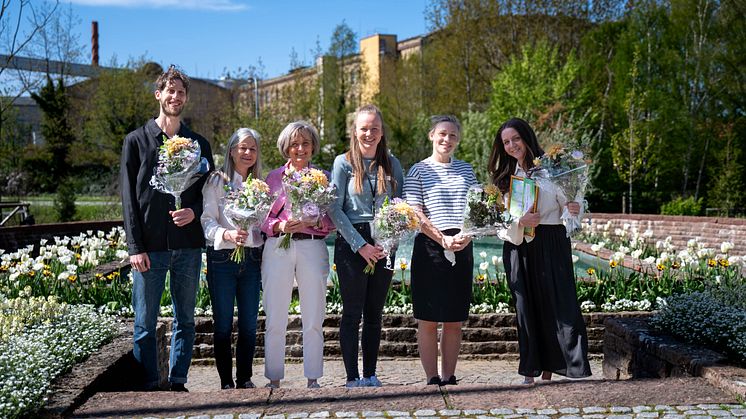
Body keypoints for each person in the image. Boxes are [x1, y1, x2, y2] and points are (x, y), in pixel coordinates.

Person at [120, 65, 214, 392]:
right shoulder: (136, 141)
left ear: (186, 98)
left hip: (188, 244)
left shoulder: (198, 144)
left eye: (181, 92)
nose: (175, 97)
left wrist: (194, 211)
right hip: (150, 246)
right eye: (170, 91)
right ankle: (147, 386)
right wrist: (135, 248)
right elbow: (128, 199)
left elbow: (209, 196)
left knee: (185, 320)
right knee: (145, 324)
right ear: (158, 94)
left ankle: (178, 383)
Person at [488, 117, 591, 386]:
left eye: (516, 139)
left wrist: (574, 210)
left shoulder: (553, 169)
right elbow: (497, 223)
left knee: (560, 302)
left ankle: (571, 366)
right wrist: (518, 222)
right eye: (506, 142)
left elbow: (570, 205)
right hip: (518, 245)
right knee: (525, 307)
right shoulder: (503, 177)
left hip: (551, 239)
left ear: (527, 138)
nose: (511, 146)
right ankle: (531, 369)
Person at [329, 104, 404, 388]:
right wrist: (361, 245)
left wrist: (387, 242)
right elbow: (335, 209)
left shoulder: (393, 164)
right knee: (352, 312)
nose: (369, 133)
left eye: (374, 128)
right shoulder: (343, 163)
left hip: (384, 243)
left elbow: (401, 207)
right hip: (352, 243)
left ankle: (371, 373)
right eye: (364, 128)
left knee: (375, 313)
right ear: (355, 131)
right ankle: (352, 377)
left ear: (382, 131)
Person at [259, 121, 335, 389]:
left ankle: (313, 377)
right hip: (278, 246)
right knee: (275, 314)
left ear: (313, 146)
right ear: (286, 148)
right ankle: (274, 377)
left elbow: (332, 221)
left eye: (305, 143)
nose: (300, 149)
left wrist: (314, 223)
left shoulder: (323, 178)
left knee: (314, 315)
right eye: (294, 144)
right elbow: (261, 219)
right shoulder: (273, 178)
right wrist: (279, 225)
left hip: (312, 246)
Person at [403, 115, 477, 386]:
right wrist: (441, 239)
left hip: (463, 245)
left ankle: (449, 376)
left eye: (453, 136)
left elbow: (477, 209)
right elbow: (415, 211)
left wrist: (466, 237)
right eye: (442, 134)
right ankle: (432, 377)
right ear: (431, 135)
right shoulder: (418, 170)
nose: (447, 139)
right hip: (430, 247)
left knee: (454, 318)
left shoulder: (467, 170)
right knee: (428, 319)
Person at [201, 128, 264, 390]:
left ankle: (245, 378)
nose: (247, 153)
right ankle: (226, 381)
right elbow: (206, 221)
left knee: (249, 324)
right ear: (231, 150)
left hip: (251, 259)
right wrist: (227, 233)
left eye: (252, 148)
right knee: (224, 324)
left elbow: (263, 225)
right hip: (222, 260)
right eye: (242, 148)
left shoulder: (259, 186)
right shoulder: (217, 181)